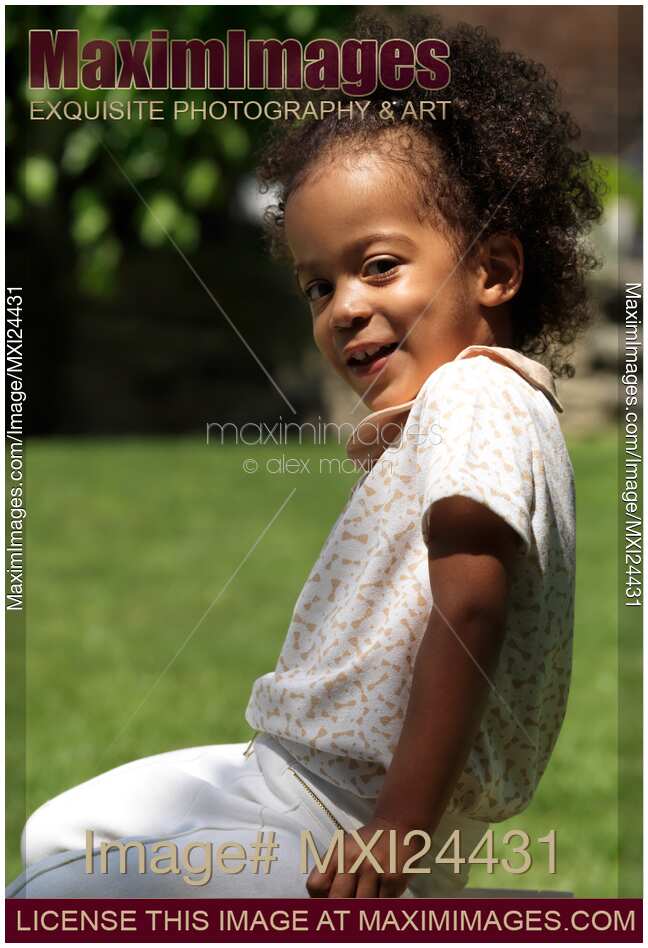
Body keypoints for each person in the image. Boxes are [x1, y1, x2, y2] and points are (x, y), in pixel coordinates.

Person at [8, 13, 603, 899]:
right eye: (320, 285)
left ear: (494, 271)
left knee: (57, 894)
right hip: (298, 782)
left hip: (350, 816)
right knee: (58, 830)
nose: (343, 308)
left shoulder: (479, 399)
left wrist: (395, 833)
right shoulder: (470, 405)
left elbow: (471, 611)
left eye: (378, 266)